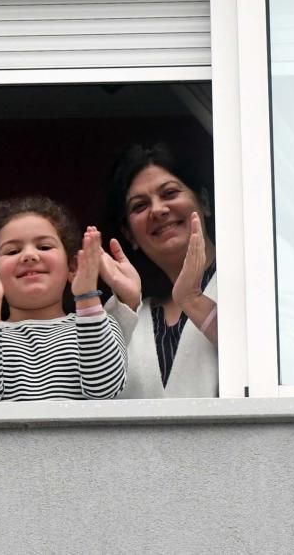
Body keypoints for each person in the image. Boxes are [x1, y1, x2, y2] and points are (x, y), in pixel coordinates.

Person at [0, 196, 127, 401]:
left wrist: (86, 296)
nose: (29, 256)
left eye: (44, 247)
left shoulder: (101, 324)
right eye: (12, 251)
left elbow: (105, 389)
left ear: (72, 267)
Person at [100, 143, 218, 398]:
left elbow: (289, 360)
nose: (157, 210)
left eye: (170, 193)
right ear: (128, 234)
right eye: (140, 206)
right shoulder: (129, 314)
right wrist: (123, 307)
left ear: (205, 202)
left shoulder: (261, 271)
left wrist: (193, 302)